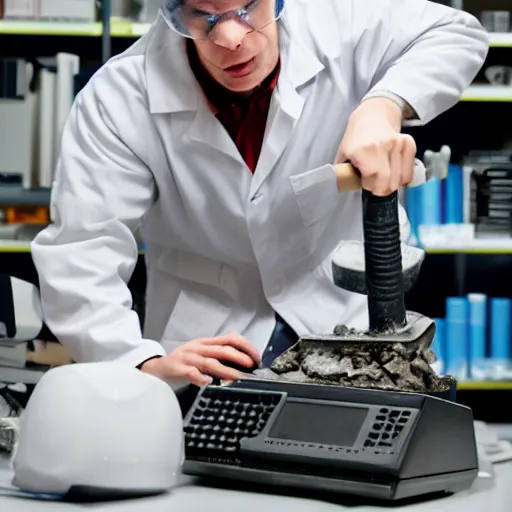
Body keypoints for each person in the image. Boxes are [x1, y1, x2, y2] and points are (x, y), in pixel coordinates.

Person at [31, 0, 488, 389]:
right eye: (201, 16)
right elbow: (83, 248)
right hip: (203, 349)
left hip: (343, 323)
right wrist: (137, 361)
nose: (230, 36)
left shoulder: (337, 24)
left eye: (248, 7)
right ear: (169, 11)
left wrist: (383, 105)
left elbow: (458, 34)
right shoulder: (119, 97)